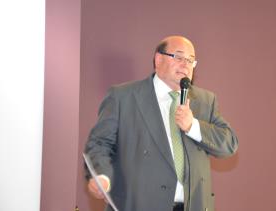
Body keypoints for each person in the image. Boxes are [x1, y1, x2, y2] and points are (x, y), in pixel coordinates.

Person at [84, 35, 238, 211]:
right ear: (158, 59)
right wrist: (102, 175)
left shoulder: (204, 101)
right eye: (179, 57)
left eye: (191, 60)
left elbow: (230, 143)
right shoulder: (123, 97)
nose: (185, 64)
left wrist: (193, 126)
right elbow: (100, 143)